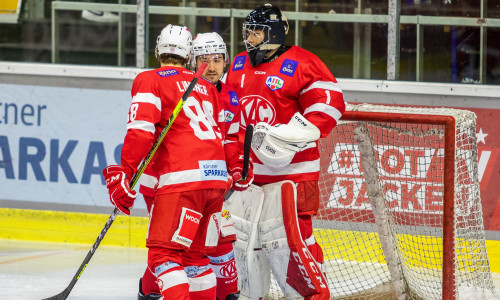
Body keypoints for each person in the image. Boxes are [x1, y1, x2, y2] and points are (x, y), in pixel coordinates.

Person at [103, 24, 250, 300]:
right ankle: (149, 292)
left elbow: (140, 132)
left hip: (179, 179)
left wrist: (124, 172)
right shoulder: (205, 87)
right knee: (195, 256)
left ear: (157, 49)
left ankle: (152, 292)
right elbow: (219, 137)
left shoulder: (150, 79)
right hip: (214, 180)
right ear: (190, 55)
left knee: (164, 254)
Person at [225, 3, 345, 299]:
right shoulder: (238, 64)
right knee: (245, 244)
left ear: (274, 32)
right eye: (248, 31)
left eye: (256, 32)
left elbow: (329, 105)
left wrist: (286, 135)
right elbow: (228, 115)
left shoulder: (304, 63)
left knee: (292, 244)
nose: (250, 37)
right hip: (248, 176)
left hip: (292, 175)